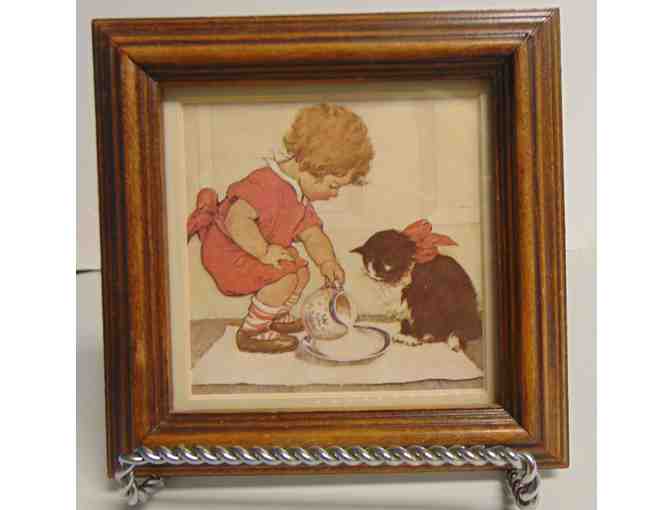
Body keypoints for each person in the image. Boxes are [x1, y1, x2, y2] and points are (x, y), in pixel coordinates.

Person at [187, 104, 375, 353]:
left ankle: (273, 315)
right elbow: (236, 219)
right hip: (229, 253)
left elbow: (312, 234)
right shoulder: (266, 184)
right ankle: (252, 331)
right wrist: (263, 252)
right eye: (333, 185)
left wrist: (327, 262)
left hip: (252, 251)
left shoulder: (298, 194)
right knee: (285, 278)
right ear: (311, 166)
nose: (334, 194)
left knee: (301, 272)